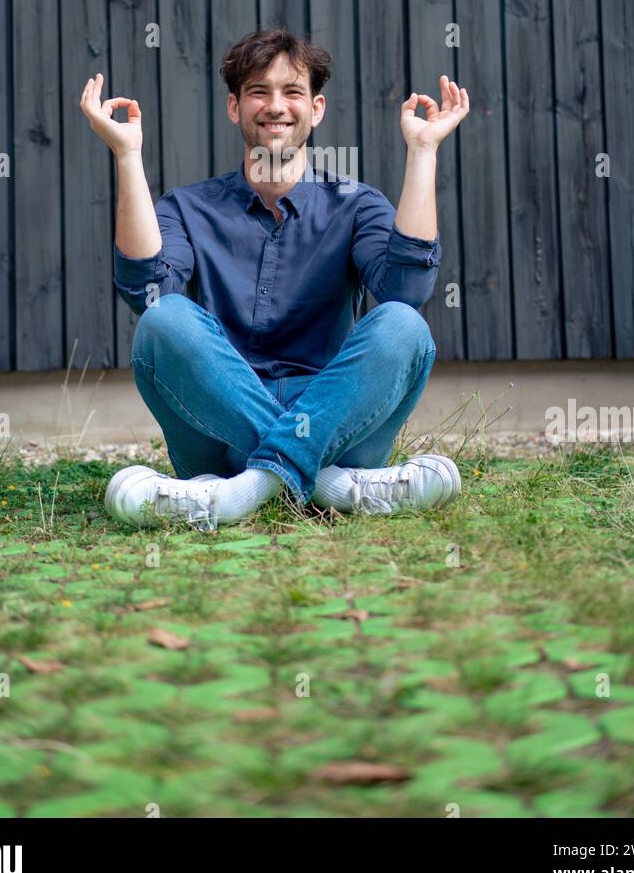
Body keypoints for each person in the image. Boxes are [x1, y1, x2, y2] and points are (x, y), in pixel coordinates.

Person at [79, 28, 470, 532]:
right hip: (219, 424)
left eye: (292, 91)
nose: (276, 106)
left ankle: (238, 493)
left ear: (317, 108)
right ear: (234, 107)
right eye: (259, 91)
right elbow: (146, 291)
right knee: (163, 318)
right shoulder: (187, 207)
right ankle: (334, 486)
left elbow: (406, 291)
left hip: (335, 419)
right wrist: (127, 156)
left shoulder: (355, 204)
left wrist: (423, 151)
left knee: (403, 325)